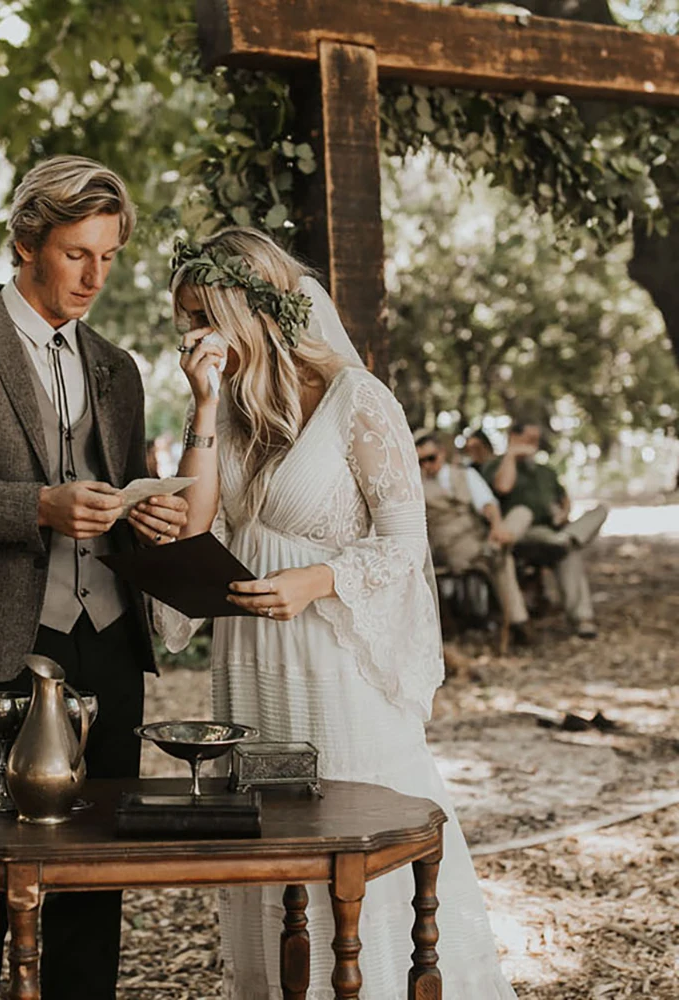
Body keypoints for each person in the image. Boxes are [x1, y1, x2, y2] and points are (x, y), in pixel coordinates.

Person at [156, 228, 516, 999]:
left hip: (330, 660)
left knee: (345, 850)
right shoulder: (231, 414)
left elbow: (405, 544)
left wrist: (316, 580)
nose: (189, 338)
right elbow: (194, 533)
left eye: (200, 318)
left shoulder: (358, 400)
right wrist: (205, 405)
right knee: (267, 852)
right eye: (182, 322)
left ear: (246, 310)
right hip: (250, 657)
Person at [0, 155, 188, 1000]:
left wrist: (147, 517)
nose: (94, 276)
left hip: (113, 639)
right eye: (75, 253)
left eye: (108, 256)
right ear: (25, 243)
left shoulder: (117, 367)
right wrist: (36, 507)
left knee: (97, 876)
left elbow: (123, 486)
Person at [482, 421, 607, 639]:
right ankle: (565, 540)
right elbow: (502, 487)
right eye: (528, 440)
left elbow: (564, 498)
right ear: (514, 437)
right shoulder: (495, 466)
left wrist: (563, 512)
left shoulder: (545, 471)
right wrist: (511, 455)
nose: (534, 445)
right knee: (528, 516)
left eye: (536, 441)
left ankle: (583, 619)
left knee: (594, 517)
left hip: (552, 532)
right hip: (520, 534)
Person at [415, 430, 533, 644]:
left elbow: (487, 503)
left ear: (442, 453)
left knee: (522, 513)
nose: (426, 465)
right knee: (502, 560)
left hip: (482, 536)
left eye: (430, 458)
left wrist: (496, 526)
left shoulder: (464, 474)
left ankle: (500, 541)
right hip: (454, 548)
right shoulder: (416, 487)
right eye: (420, 461)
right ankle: (519, 622)